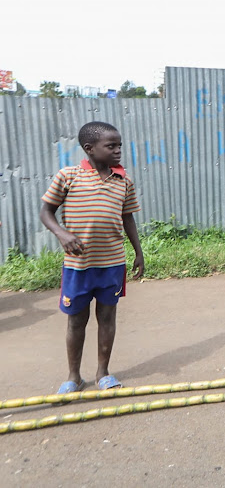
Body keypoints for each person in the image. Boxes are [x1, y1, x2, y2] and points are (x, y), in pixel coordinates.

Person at [40, 121, 144, 394]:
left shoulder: (123, 180)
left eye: (119, 145)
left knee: (107, 317)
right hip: (78, 266)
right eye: (111, 146)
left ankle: (103, 374)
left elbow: (128, 217)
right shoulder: (68, 176)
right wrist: (62, 234)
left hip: (112, 263)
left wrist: (138, 252)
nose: (118, 151)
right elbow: (46, 212)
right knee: (76, 319)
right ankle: (74, 377)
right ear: (90, 149)